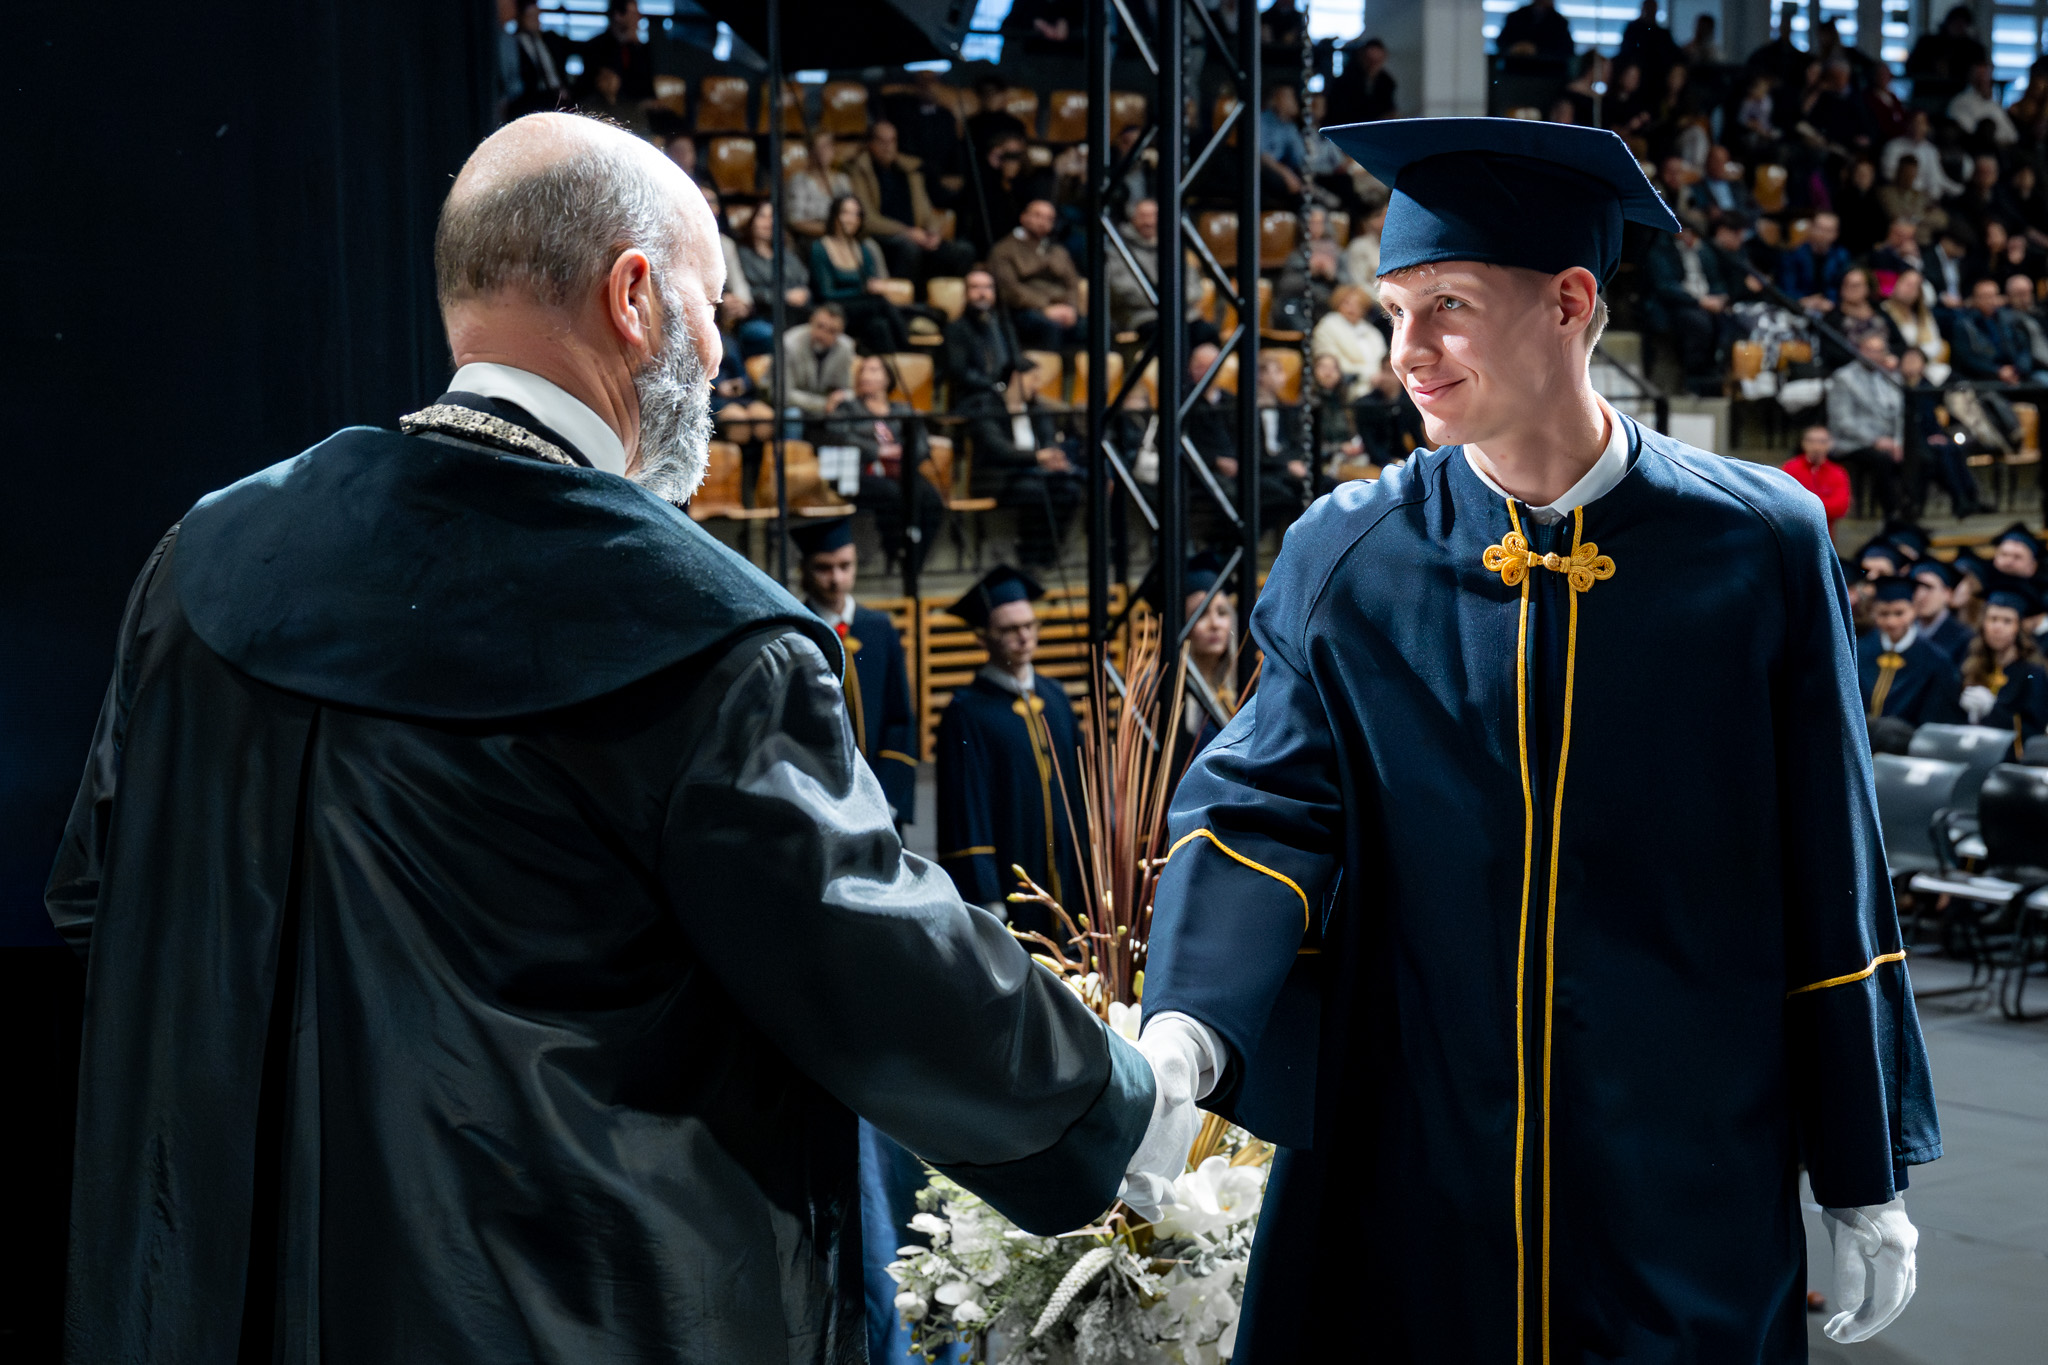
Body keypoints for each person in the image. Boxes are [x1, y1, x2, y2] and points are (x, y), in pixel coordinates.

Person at [46, 113, 1153, 1361]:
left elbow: (97, 904)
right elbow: (879, 979)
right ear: (635, 294)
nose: (727, 349)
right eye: (714, 300)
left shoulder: (206, 559)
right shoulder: (700, 630)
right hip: (540, 1310)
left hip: (214, 1298)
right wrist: (1122, 1106)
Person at [1119, 117, 1936, 1361]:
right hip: (1417, 1160)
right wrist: (1186, 1025)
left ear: (1568, 301)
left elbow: (1830, 861)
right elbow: (1262, 813)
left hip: (1680, 1173)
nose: (1407, 352)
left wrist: (1859, 1165)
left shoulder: (1756, 543)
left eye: (1444, 304)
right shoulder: (1349, 555)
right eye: (1391, 310)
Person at [933, 567, 1086, 934]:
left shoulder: (1055, 698)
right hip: (1009, 880)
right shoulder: (967, 712)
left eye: (1029, 625)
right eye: (1009, 629)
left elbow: (1081, 790)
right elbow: (966, 812)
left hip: (1071, 879)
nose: (1023, 637)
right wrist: (987, 896)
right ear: (983, 637)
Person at [792, 515, 918, 824]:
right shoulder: (797, 632)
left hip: (881, 795)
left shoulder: (879, 629)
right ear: (805, 571)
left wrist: (886, 797)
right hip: (822, 800)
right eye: (824, 567)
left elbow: (899, 719)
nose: (836, 578)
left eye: (845, 566)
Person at [826, 353, 944, 572]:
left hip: (901, 471)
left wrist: (902, 453)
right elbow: (839, 436)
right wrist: (878, 451)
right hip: (861, 472)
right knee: (891, 494)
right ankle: (894, 549)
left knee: (932, 500)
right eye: (862, 371)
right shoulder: (848, 408)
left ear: (887, 378)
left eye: (873, 370)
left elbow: (921, 444)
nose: (866, 376)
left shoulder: (903, 410)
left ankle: (913, 562)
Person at [958, 362, 1083, 565]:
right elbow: (997, 448)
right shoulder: (988, 406)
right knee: (1035, 492)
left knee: (1069, 490)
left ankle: (1048, 555)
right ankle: (1028, 558)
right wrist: (1037, 457)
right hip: (1000, 478)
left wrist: (1052, 456)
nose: (1037, 385)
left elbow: (1048, 438)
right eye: (1033, 378)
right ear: (1016, 377)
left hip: (1037, 474)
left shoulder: (1036, 408)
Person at [844, 120, 975, 286]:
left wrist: (933, 233)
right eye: (882, 141)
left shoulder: (910, 171)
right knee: (909, 248)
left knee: (964, 251)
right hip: (883, 236)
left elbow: (927, 211)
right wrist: (907, 232)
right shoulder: (859, 172)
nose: (888, 147)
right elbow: (868, 219)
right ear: (870, 144)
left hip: (917, 235)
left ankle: (951, 300)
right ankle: (903, 302)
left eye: (892, 140)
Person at [810, 195, 910, 355]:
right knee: (880, 304)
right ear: (835, 215)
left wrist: (873, 287)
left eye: (856, 214)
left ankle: (893, 365)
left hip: (866, 312)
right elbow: (826, 294)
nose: (851, 219)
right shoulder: (819, 248)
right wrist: (863, 289)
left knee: (879, 326)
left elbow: (870, 283)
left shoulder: (863, 249)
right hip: (836, 310)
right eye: (846, 213)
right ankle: (907, 349)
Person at [1861, 577, 1966, 724]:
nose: (1891, 622)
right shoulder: (1860, 651)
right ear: (1874, 613)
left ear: (1914, 609)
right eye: (1883, 614)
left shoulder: (1935, 660)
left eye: (1899, 613)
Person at [1829, 331, 1912, 518]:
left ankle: (1912, 510)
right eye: (1869, 350)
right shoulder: (1844, 377)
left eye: (1879, 351)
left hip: (1889, 441)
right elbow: (1842, 421)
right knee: (1882, 459)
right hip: (1853, 442)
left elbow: (1900, 415)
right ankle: (1893, 514)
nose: (1874, 355)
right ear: (1859, 351)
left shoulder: (1891, 377)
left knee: (1917, 452)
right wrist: (1876, 440)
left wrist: (1898, 441)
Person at [1643, 222, 1732, 393]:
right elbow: (1666, 286)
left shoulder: (1703, 250)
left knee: (1729, 320)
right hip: (1678, 304)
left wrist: (1720, 297)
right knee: (1698, 323)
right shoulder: (1662, 249)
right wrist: (1699, 301)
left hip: (1706, 301)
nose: (1689, 236)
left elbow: (1716, 280)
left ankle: (1716, 375)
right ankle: (1694, 379)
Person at [989, 198, 1084, 350]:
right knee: (1050, 328)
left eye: (1049, 218)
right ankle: (1050, 371)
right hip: (1025, 311)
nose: (1043, 222)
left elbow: (1073, 283)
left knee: (1098, 326)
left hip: (1062, 307)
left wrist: (1070, 308)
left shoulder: (1058, 251)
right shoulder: (1004, 250)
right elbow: (1009, 289)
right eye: (1038, 215)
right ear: (1023, 217)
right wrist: (1045, 309)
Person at [1105, 197, 1205, 342]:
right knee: (1173, 337)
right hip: (1142, 316)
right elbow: (1122, 289)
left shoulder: (1173, 247)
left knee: (1206, 333)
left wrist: (1174, 300)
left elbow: (1195, 287)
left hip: (1182, 314)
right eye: (1143, 216)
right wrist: (1163, 299)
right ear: (1132, 219)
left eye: (1153, 216)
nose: (1149, 222)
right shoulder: (1117, 251)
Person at [1961, 586, 2048, 749]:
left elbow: (2033, 729)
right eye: (1993, 619)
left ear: (2018, 628)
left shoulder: (2032, 673)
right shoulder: (1972, 662)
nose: (1997, 627)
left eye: (2007, 621)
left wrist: (1992, 710)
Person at [734, 201, 811, 355]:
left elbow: (803, 280)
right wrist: (783, 296)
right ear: (752, 220)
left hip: (793, 316)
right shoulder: (741, 254)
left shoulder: (785, 254)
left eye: (772, 217)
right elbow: (746, 292)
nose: (768, 222)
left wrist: (803, 294)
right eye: (762, 216)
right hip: (758, 317)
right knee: (779, 338)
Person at [943, 266, 1024, 405]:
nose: (982, 293)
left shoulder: (1003, 325)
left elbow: (1014, 360)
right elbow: (960, 372)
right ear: (965, 293)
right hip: (974, 398)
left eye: (988, 287)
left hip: (1005, 394)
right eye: (975, 287)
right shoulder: (956, 328)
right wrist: (994, 388)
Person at [1952, 276, 2042, 383]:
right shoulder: (1964, 324)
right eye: (1984, 296)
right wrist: (1997, 371)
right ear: (1975, 299)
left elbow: (2024, 349)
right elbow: (1968, 359)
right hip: (1984, 378)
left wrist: (2017, 370)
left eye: (1993, 296)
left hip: (2017, 375)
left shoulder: (2011, 320)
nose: (1990, 301)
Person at [1310, 282, 1388, 399]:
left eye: (1358, 305)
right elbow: (1333, 363)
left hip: (1379, 383)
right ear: (1338, 304)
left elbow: (1382, 358)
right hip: (1349, 386)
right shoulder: (1327, 326)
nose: (1352, 308)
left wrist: (1381, 376)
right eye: (1347, 303)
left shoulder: (1372, 332)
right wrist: (1368, 374)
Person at [781, 303, 856, 417]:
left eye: (831, 331)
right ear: (811, 322)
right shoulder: (789, 343)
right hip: (789, 404)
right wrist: (823, 403)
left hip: (825, 406)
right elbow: (783, 394)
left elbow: (848, 389)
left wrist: (841, 396)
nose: (822, 335)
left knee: (845, 412)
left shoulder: (846, 348)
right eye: (820, 326)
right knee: (793, 414)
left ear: (840, 333)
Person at [577, 0, 655, 103]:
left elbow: (646, 86)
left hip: (637, 105)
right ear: (618, 16)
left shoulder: (639, 49)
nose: (638, 19)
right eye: (633, 14)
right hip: (606, 104)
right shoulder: (597, 46)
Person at [1780, 421, 1852, 531]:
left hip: (1825, 533)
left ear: (1830, 444)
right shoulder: (1790, 468)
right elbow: (1784, 503)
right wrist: (1822, 504)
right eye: (1811, 441)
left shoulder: (1838, 472)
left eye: (1822, 441)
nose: (1816, 446)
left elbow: (1840, 507)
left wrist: (1804, 503)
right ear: (1803, 443)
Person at [785, 130, 853, 242]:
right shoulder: (799, 181)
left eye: (827, 146)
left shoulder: (843, 180)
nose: (823, 152)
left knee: (870, 247)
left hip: (842, 235)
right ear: (810, 151)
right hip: (811, 238)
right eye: (818, 147)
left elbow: (852, 211)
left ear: (833, 149)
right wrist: (832, 230)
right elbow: (795, 221)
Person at [506, 1, 571, 117]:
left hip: (559, 93)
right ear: (521, 18)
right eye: (531, 17)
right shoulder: (513, 44)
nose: (536, 21)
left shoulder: (550, 38)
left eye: (538, 16)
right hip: (533, 98)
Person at [1779, 210, 1851, 310]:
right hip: (1797, 306)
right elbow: (1786, 286)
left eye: (1828, 230)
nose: (1823, 234)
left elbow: (1842, 287)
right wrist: (1803, 300)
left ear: (1836, 234)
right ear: (1811, 228)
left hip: (1831, 309)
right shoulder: (1793, 254)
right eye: (1820, 228)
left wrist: (1831, 302)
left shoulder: (1841, 256)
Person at [1911, 558, 1976, 666]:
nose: (1920, 595)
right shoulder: (1903, 631)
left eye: (1928, 587)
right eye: (1915, 587)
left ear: (1947, 594)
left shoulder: (1964, 638)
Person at [1325, 35, 1396, 124]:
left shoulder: (1387, 82)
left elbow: (1389, 108)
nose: (1373, 65)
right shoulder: (1345, 82)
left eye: (1377, 61)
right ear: (1362, 57)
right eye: (1370, 60)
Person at [1258, 84, 1310, 202]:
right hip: (1266, 169)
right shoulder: (1262, 120)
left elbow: (1299, 157)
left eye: (1292, 97)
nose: (1291, 100)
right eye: (1287, 97)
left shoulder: (1290, 126)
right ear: (1275, 99)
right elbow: (1262, 156)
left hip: (1286, 168)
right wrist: (1286, 174)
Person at [1949, 60, 2018, 148]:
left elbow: (2012, 135)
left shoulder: (1993, 104)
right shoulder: (1960, 103)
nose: (1984, 79)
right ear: (1971, 76)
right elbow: (1970, 133)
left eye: (1987, 75)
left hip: (2003, 151)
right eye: (1980, 75)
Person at [1497, 0, 1574, 68]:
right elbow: (1501, 42)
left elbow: (1566, 50)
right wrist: (1515, 48)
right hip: (1515, 69)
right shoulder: (1516, 16)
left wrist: (1537, 50)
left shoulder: (1559, 22)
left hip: (1547, 72)